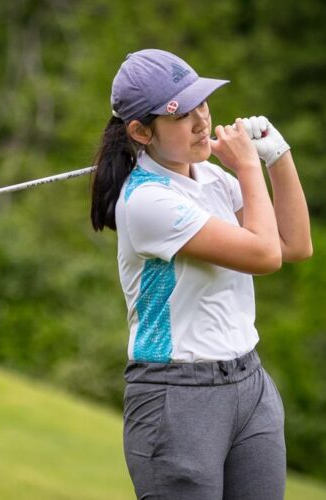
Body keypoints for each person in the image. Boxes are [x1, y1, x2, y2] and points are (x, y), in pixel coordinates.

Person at [90, 49, 312, 500]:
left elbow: (294, 246)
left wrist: (276, 155)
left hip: (249, 385)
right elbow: (264, 255)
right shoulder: (147, 201)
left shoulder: (213, 180)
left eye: (202, 105)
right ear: (140, 131)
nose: (201, 122)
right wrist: (249, 166)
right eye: (181, 116)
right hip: (176, 397)